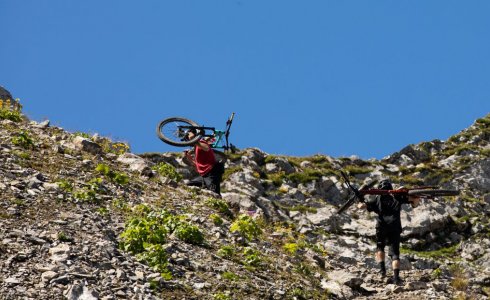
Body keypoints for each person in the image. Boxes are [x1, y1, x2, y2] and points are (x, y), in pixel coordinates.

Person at [357, 179, 420, 285]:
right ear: (391, 188)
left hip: (381, 226)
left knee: (380, 247)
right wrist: (416, 198)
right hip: (395, 226)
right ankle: (396, 278)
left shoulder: (376, 199)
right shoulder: (397, 196)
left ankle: (382, 272)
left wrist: (359, 198)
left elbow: (361, 206)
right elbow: (414, 203)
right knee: (395, 254)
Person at [183, 128, 224, 196]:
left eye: (188, 137)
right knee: (189, 185)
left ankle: (218, 205)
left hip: (212, 172)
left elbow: (206, 148)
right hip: (204, 175)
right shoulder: (197, 148)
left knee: (214, 193)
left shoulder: (201, 142)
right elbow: (198, 167)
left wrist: (194, 140)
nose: (188, 140)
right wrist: (189, 157)